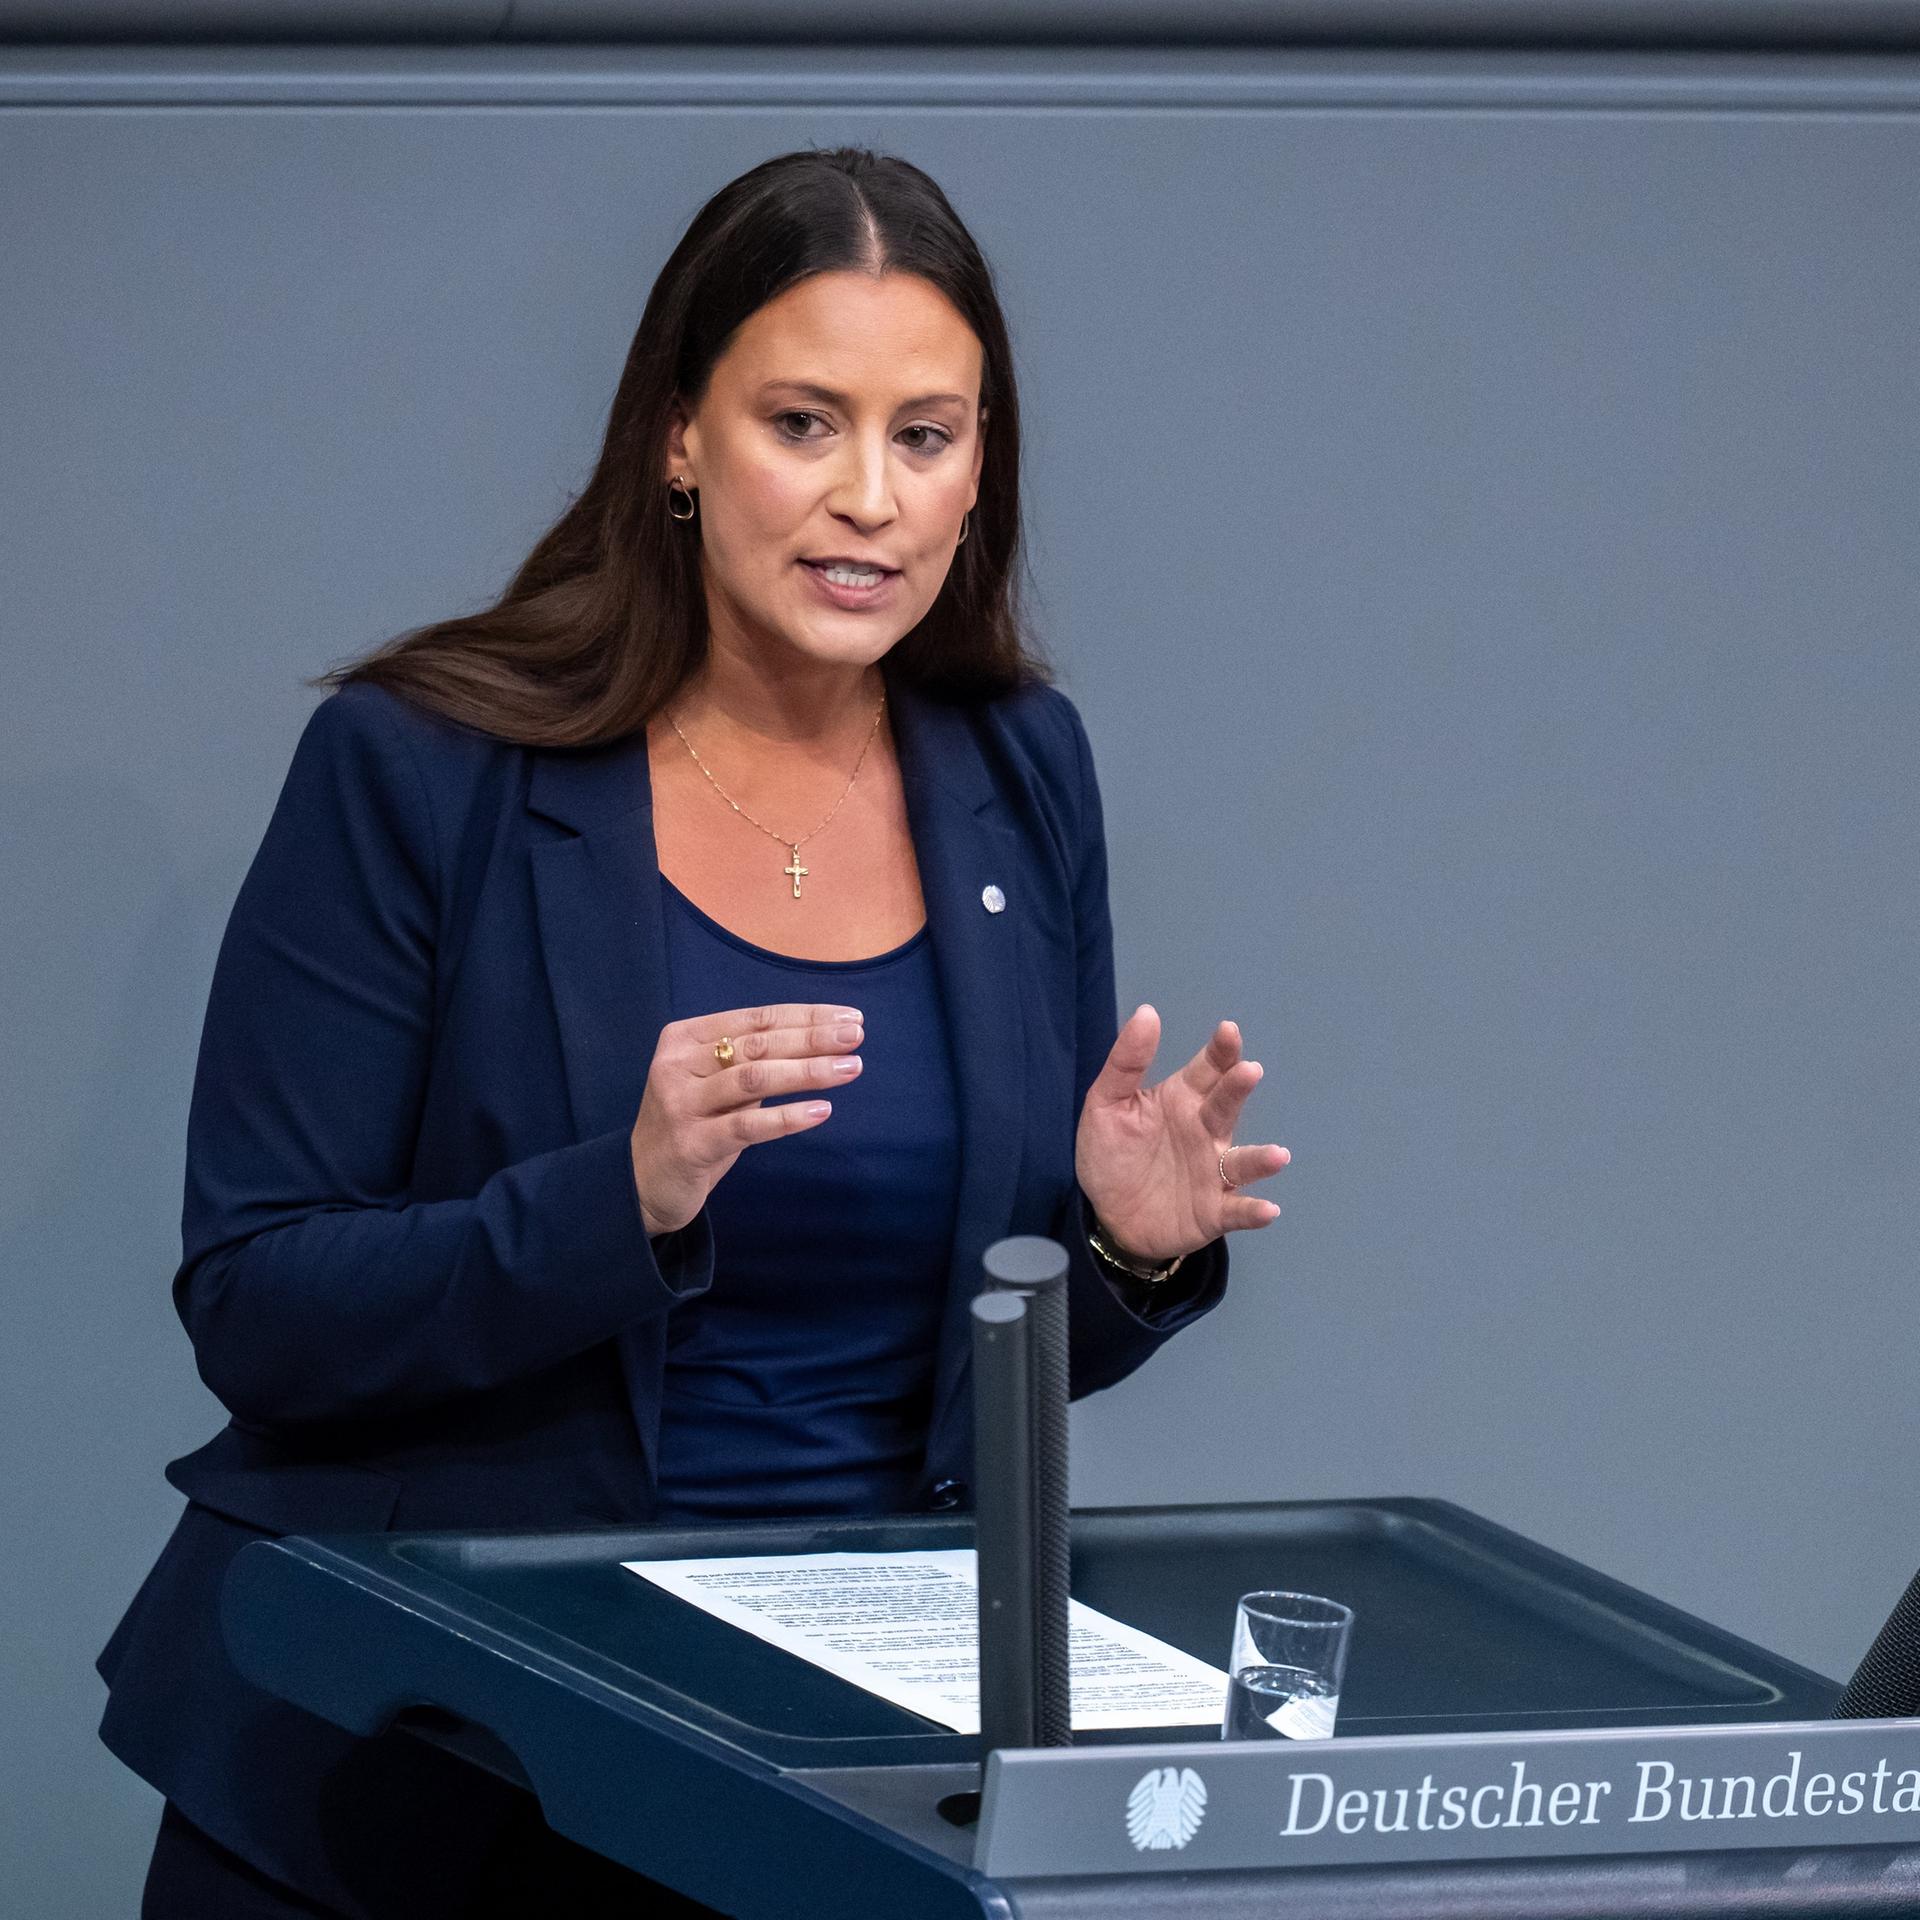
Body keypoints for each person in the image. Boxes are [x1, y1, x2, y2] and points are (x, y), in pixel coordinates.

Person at [98, 145, 1290, 1919]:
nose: (869, 498)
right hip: (432, 1779)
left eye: (926, 435)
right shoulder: (423, 770)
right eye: (804, 422)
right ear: (678, 436)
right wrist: (621, 1198)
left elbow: (966, 1380)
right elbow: (258, 1310)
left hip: (829, 1790)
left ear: (982, 471)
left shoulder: (1018, 770)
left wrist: (1115, 1251)